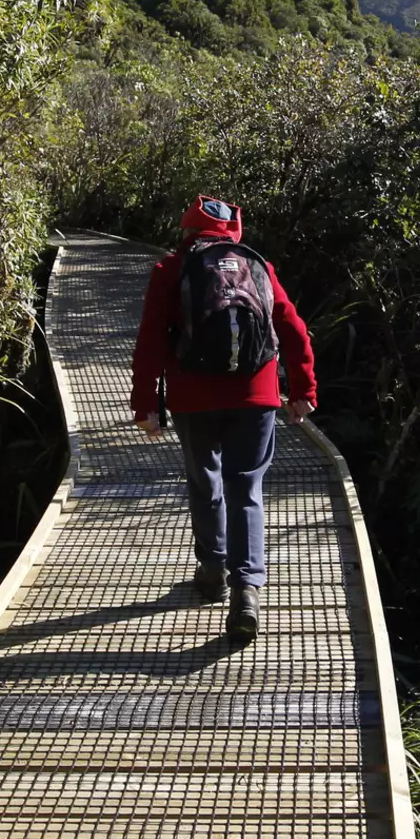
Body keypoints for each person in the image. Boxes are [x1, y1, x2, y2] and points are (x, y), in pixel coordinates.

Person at [130, 196, 317, 642]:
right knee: (246, 487)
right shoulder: (259, 266)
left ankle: (212, 568)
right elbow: (292, 328)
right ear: (234, 228)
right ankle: (246, 592)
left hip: (192, 397)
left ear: (187, 228)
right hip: (257, 394)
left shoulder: (171, 269)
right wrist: (305, 390)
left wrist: (145, 405)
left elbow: (151, 339)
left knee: (204, 479)